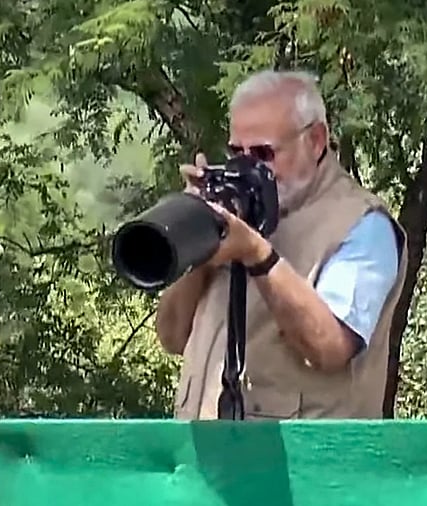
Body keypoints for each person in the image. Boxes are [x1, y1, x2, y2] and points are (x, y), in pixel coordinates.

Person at [155, 69, 409, 420]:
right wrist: (197, 229)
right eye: (237, 152)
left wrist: (257, 255)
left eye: (263, 153)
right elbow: (172, 336)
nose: (247, 167)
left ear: (316, 141)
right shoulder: (236, 213)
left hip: (302, 454)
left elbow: (329, 347)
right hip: (204, 450)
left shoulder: (361, 224)